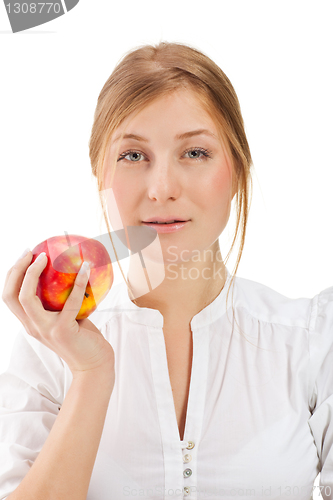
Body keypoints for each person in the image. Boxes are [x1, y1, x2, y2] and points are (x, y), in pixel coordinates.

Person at [0, 41, 332, 500]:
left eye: (195, 153)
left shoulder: (312, 340)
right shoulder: (47, 348)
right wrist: (90, 375)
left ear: (236, 170)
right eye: (133, 156)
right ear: (101, 174)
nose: (161, 189)